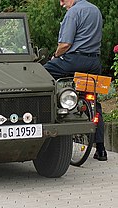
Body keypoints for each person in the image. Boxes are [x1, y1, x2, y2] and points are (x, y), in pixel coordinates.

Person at [44, 0, 107, 161]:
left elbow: (65, 44)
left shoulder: (73, 13)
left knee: (42, 75)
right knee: (94, 104)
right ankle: (101, 150)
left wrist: (55, 56)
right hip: (93, 62)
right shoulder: (95, 10)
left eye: (63, 0)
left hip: (73, 60)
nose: (61, 3)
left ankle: (51, 116)